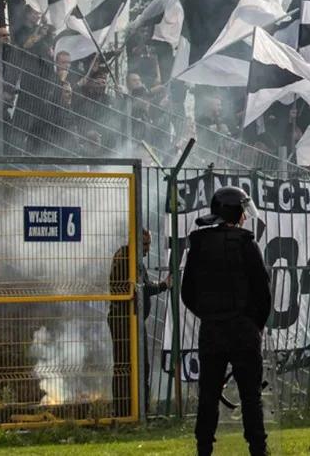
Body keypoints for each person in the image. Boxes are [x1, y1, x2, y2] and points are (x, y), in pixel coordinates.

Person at [181, 187, 271, 456]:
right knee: (250, 396)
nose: (245, 217)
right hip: (244, 330)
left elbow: (188, 293)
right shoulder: (246, 244)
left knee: (208, 395)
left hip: (212, 331)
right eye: (242, 211)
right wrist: (254, 324)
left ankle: (204, 448)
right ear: (234, 212)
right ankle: (258, 448)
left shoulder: (198, 245)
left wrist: (210, 315)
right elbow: (263, 293)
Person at [108, 228, 171, 417]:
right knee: (126, 366)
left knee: (138, 366)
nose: (147, 249)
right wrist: (162, 285)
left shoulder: (133, 260)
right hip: (124, 320)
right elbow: (141, 290)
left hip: (133, 318)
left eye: (149, 244)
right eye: (144, 244)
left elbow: (143, 287)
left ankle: (137, 411)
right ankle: (126, 412)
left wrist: (161, 285)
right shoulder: (126, 260)